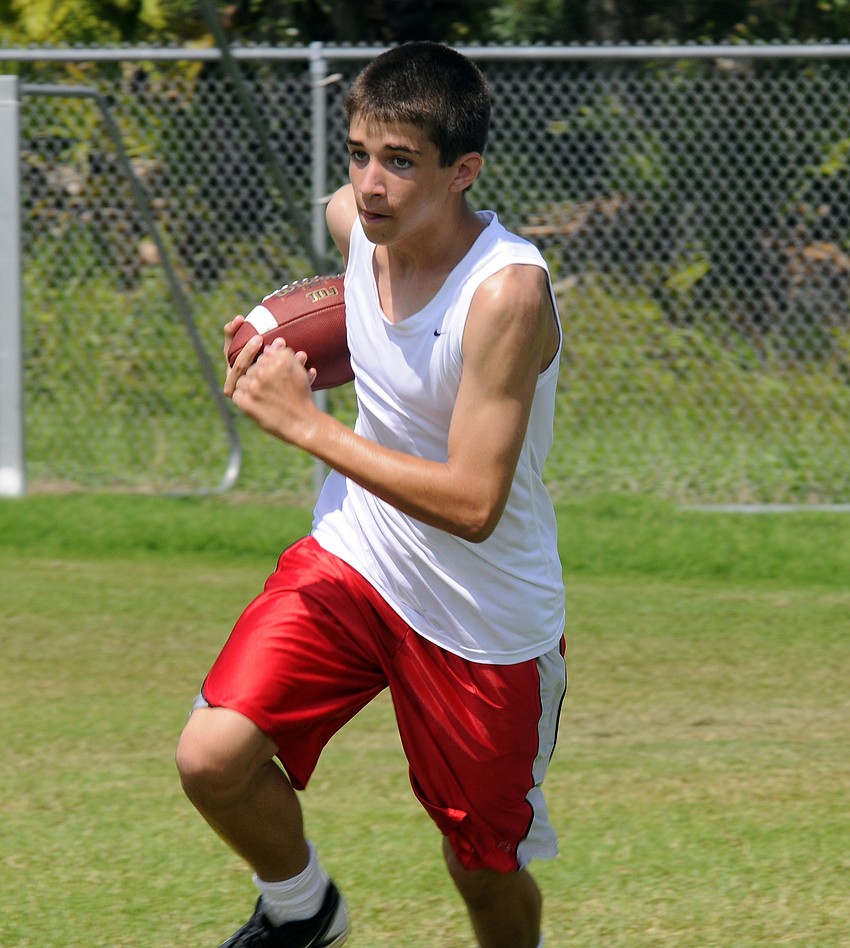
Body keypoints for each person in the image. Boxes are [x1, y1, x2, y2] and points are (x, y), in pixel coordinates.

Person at [176, 40, 566, 948]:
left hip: (482, 615)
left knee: (481, 866)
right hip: (357, 559)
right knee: (211, 758)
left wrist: (305, 422)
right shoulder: (360, 225)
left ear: (464, 171)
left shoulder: (505, 294)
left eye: (400, 162)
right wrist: (285, 336)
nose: (371, 183)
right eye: (359, 153)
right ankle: (302, 909)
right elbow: (346, 269)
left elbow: (475, 503)